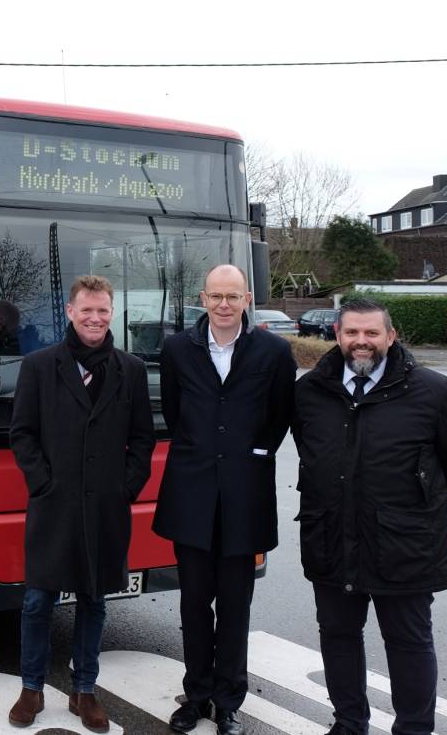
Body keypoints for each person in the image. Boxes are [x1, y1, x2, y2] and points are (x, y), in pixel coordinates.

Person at [292, 299, 447, 735]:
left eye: (371, 334)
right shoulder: (310, 392)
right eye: (351, 334)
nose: (361, 342)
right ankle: (349, 724)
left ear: (390, 337)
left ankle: (415, 729)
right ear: (337, 336)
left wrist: (410, 512)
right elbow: (310, 453)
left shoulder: (435, 392)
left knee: (409, 642)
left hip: (406, 546)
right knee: (338, 638)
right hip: (330, 538)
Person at [8, 275, 154, 731]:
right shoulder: (38, 366)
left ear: (113, 313)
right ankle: (31, 688)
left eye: (103, 311)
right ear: (70, 312)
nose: (95, 318)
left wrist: (126, 487)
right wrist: (42, 483)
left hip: (106, 508)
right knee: (37, 602)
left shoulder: (130, 369)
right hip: (54, 505)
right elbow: (22, 434)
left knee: (95, 602)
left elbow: (142, 439)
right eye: (86, 310)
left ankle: (84, 690)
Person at [154, 264, 295, 735]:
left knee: (236, 607)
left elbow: (278, 419)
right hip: (191, 496)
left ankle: (229, 700)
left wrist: (249, 454)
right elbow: (175, 414)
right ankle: (195, 696)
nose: (224, 305)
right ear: (203, 298)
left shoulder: (273, 351)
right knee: (194, 604)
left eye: (233, 297)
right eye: (216, 296)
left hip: (244, 497)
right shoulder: (177, 349)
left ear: (248, 300)